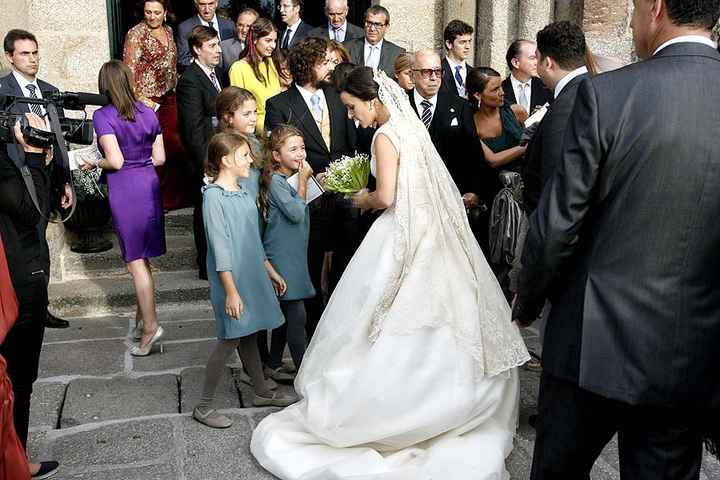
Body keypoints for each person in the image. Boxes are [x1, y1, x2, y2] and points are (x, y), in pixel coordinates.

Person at [251, 65, 529, 480]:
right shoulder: (409, 125)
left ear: (372, 100)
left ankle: (392, 407)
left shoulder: (384, 135)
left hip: (399, 232)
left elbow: (387, 195)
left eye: (351, 107)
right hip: (431, 233)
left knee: (383, 313)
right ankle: (448, 396)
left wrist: (358, 198)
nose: (350, 116)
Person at [512, 1, 720, 478]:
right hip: (689, 352)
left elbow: (558, 222)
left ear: (658, 9)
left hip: (590, 342)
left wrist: (527, 299)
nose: (630, 20)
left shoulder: (608, 94)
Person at [194, 132, 294, 429]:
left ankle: (262, 391)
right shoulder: (213, 197)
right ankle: (203, 406)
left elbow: (252, 238)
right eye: (245, 156)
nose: (251, 160)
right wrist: (230, 291)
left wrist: (270, 270)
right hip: (232, 279)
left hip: (251, 273)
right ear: (226, 160)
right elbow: (220, 246)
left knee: (248, 334)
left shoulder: (241, 192)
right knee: (229, 338)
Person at [264, 37, 358, 340]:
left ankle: (343, 330)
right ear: (306, 64)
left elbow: (350, 144)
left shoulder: (338, 96)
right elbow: (276, 160)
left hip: (345, 201)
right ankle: (314, 335)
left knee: (345, 269)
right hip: (307, 203)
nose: (332, 67)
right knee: (310, 271)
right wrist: (310, 182)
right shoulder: (279, 105)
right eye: (325, 62)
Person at [91, 60, 166, 357]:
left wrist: (93, 161)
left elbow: (116, 161)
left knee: (135, 261)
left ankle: (151, 327)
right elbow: (159, 158)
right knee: (143, 260)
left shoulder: (103, 115)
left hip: (125, 188)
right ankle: (140, 320)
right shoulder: (149, 112)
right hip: (148, 183)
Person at [0, 114, 60, 479]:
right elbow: (32, 212)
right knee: (17, 380)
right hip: (13, 278)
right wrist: (35, 155)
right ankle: (15, 462)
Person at [1, 29, 73, 330]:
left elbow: (59, 143)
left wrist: (64, 181)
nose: (33, 59)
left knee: (41, 245)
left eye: (35, 52)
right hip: (15, 182)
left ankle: (39, 307)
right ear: (10, 57)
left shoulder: (49, 91)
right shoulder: (2, 93)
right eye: (25, 54)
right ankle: (20, 308)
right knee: (22, 247)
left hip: (45, 181)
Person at [124, 0, 189, 212]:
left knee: (176, 146)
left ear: (165, 12)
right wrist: (146, 103)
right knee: (159, 146)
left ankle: (174, 197)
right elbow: (128, 74)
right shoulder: (136, 34)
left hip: (171, 97)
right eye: (148, 12)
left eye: (156, 12)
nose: (152, 17)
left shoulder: (169, 30)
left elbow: (172, 65)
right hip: (148, 101)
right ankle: (156, 199)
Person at [263, 125, 314, 373]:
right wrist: (304, 181)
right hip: (281, 254)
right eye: (292, 149)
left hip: (294, 252)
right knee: (296, 314)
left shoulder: (288, 180)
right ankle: (303, 371)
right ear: (276, 155)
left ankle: (273, 363)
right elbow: (295, 212)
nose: (300, 154)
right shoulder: (276, 182)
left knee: (286, 314)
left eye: (302, 148)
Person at [177, 25, 226, 280]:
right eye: (212, 46)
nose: (218, 50)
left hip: (219, 154)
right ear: (197, 49)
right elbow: (192, 129)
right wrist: (207, 164)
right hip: (205, 158)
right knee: (205, 210)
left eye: (218, 45)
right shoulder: (189, 81)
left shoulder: (215, 74)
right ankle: (205, 264)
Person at [228, 18, 285, 137]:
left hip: (278, 129)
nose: (273, 46)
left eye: (275, 41)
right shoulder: (238, 68)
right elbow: (238, 110)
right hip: (254, 134)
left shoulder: (271, 63)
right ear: (254, 39)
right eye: (268, 40)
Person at [344, 5, 406, 77]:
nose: (372, 29)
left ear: (386, 27)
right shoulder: (347, 48)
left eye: (377, 24)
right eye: (369, 23)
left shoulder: (397, 53)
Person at [176, 0, 236, 70]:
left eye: (211, 4)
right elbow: (184, 60)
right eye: (202, 4)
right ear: (196, 4)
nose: (207, 10)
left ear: (216, 3)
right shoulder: (185, 28)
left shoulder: (229, 25)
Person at [501, 40, 552, 115]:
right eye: (532, 58)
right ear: (515, 63)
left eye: (538, 57)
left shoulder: (547, 87)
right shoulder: (500, 90)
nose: (537, 62)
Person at [220, 7, 259, 74]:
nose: (244, 30)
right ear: (236, 25)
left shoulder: (262, 46)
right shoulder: (223, 46)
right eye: (240, 25)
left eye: (248, 26)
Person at [441, 19, 474, 98]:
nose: (468, 47)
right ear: (449, 44)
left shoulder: (474, 73)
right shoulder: (437, 71)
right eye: (462, 42)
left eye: (469, 41)